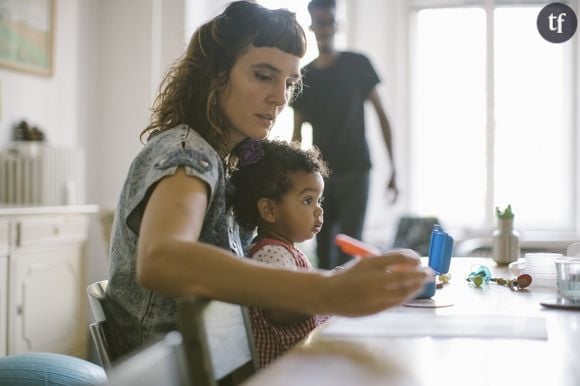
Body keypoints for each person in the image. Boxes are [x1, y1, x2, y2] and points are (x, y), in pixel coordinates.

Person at [105, 0, 431, 357]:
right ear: (216, 74)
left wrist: (334, 284)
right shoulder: (189, 154)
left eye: (290, 82)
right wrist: (324, 291)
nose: (280, 98)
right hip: (171, 372)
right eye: (263, 75)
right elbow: (161, 260)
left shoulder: (224, 162)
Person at [291, 0, 399, 270]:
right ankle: (324, 313)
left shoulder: (358, 64)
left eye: (329, 22)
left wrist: (393, 168)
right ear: (311, 26)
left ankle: (350, 311)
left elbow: (382, 117)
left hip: (357, 171)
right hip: (320, 177)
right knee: (323, 249)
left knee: (351, 248)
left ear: (336, 24)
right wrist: (293, 180)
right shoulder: (304, 77)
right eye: (320, 23)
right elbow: (296, 135)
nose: (325, 28)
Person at [228, 139, 331, 367]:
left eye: (319, 200)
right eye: (307, 200)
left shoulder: (285, 251)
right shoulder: (270, 253)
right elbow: (282, 309)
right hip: (281, 373)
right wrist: (330, 295)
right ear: (270, 210)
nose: (319, 209)